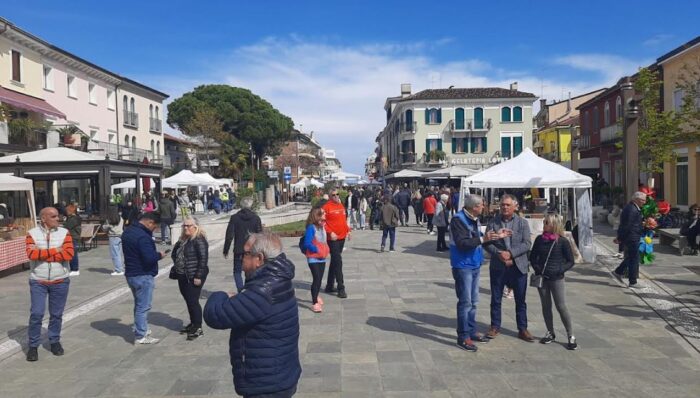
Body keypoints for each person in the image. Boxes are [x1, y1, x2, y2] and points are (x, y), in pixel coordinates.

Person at [203, 232, 301, 398]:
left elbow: (214, 315)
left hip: (266, 385)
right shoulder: (279, 279)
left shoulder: (262, 291)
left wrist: (221, 295)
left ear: (259, 259)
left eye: (245, 254)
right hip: (281, 374)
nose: (240, 258)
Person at [25, 207, 75, 361]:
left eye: (57, 216)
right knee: (37, 314)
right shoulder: (32, 233)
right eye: (53, 216)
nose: (57, 219)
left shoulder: (64, 233)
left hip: (60, 280)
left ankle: (54, 341)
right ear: (44, 218)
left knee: (56, 314)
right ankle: (33, 346)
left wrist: (43, 254)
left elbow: (69, 254)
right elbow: (31, 254)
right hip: (38, 280)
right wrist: (56, 250)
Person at [450, 194, 498, 352]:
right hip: (463, 265)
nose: (484, 207)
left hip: (475, 264)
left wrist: (495, 237)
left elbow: (478, 239)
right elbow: (462, 243)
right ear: (474, 207)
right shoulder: (458, 219)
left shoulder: (474, 219)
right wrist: (483, 239)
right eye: (482, 205)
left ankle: (471, 330)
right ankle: (463, 337)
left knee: (474, 302)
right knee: (465, 302)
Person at [484, 194, 534, 342]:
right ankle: (495, 326)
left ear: (515, 206)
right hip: (498, 266)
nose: (504, 207)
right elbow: (487, 243)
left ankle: (522, 329)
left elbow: (527, 244)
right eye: (502, 205)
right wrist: (500, 254)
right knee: (496, 298)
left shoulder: (522, 223)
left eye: (507, 205)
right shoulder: (493, 223)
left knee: (520, 300)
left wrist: (511, 254)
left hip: (518, 266)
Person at [529, 214, 578, 350]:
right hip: (542, 278)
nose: (544, 224)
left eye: (546, 222)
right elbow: (533, 257)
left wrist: (559, 270)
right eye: (544, 222)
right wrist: (538, 269)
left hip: (557, 278)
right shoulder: (540, 239)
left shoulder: (562, 241)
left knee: (561, 306)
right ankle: (550, 332)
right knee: (546, 306)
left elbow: (570, 261)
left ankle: (570, 334)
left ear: (554, 225)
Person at [122, 212, 168, 344]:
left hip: (131, 273)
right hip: (142, 274)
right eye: (155, 227)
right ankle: (141, 335)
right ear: (150, 223)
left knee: (138, 304)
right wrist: (159, 255)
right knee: (143, 306)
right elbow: (149, 258)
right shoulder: (143, 237)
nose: (155, 230)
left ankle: (141, 328)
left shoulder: (128, 231)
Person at [171, 216, 209, 340]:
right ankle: (193, 323)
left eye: (189, 225)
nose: (186, 228)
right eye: (184, 225)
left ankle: (198, 327)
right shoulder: (183, 239)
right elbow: (175, 254)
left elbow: (203, 260)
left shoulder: (199, 239)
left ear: (196, 227)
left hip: (194, 275)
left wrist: (198, 276)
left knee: (193, 301)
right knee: (188, 300)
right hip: (183, 274)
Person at [223, 197, 263, 292]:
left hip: (238, 249)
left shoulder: (234, 218)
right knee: (250, 271)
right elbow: (260, 235)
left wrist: (226, 250)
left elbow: (229, 235)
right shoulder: (256, 218)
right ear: (251, 205)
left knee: (237, 271)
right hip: (252, 249)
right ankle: (248, 291)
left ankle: (241, 290)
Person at [613, 191, 647, 287]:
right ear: (636, 199)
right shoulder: (632, 209)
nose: (644, 202)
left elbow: (631, 223)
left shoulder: (633, 208)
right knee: (634, 259)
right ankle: (632, 281)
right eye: (642, 200)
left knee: (632, 256)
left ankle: (618, 271)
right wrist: (620, 238)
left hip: (633, 235)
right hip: (632, 237)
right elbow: (627, 225)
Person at [322, 189, 351, 298]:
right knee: (338, 261)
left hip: (342, 237)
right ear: (329, 196)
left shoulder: (341, 205)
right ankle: (341, 287)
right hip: (332, 239)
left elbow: (343, 220)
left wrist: (348, 230)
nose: (336, 196)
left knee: (335, 260)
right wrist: (330, 232)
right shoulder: (326, 207)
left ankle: (329, 285)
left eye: (337, 194)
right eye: (333, 195)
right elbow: (322, 222)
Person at [302, 208, 330, 313]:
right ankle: (314, 303)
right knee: (317, 278)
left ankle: (316, 295)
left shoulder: (322, 226)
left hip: (322, 257)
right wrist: (316, 249)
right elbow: (307, 243)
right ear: (317, 215)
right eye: (323, 213)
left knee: (320, 279)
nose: (325, 214)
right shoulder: (311, 228)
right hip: (313, 258)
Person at [102, 211, 125, 276]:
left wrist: (105, 226)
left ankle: (118, 270)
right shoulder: (121, 218)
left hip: (113, 237)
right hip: (120, 235)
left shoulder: (110, 220)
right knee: (119, 253)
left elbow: (104, 227)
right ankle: (121, 268)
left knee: (115, 254)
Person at [63, 204, 82, 276]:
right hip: (72, 236)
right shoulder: (73, 218)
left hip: (73, 237)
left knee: (73, 253)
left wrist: (65, 221)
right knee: (71, 253)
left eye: (67, 210)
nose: (66, 212)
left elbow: (67, 227)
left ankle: (75, 269)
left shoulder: (74, 219)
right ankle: (73, 268)